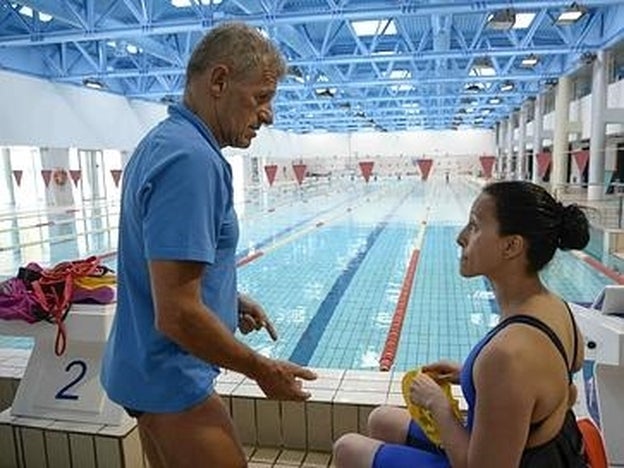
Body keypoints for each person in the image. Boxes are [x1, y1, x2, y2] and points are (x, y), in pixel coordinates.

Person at [101, 22, 316, 468]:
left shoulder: (164, 142)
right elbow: (177, 313)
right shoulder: (193, 162)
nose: (269, 115)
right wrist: (263, 369)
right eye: (260, 97)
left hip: (143, 370)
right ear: (218, 81)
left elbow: (160, 268)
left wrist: (226, 296)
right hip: (171, 380)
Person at [333, 180, 589, 467]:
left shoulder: (507, 355)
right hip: (553, 453)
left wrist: (438, 405)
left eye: (475, 226)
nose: (460, 237)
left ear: (511, 246)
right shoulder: (556, 307)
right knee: (382, 419)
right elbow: (563, 372)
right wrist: (471, 375)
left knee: (347, 449)